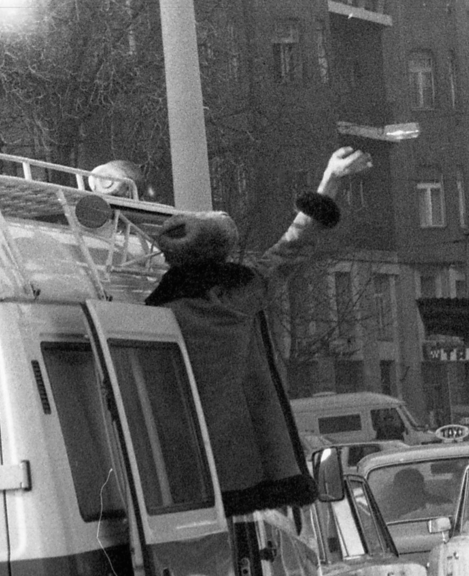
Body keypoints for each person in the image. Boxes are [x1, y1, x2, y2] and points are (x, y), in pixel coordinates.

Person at [146, 146, 372, 515]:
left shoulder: (151, 310)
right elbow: (293, 245)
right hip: (243, 461)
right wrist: (330, 180)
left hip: (171, 467)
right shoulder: (239, 298)